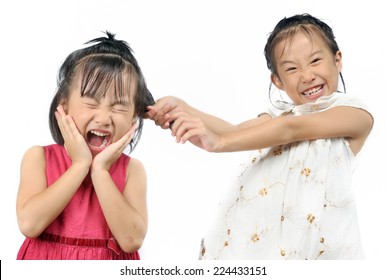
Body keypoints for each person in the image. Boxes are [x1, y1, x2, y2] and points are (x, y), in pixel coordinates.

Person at [147, 14, 374, 259]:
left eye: (315, 60)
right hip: (266, 248)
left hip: (317, 251)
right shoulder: (279, 115)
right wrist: (182, 107)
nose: (307, 75)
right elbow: (234, 131)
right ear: (277, 80)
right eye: (292, 68)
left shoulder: (354, 113)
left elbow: (293, 129)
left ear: (337, 60)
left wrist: (218, 144)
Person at [16, 31, 151, 260]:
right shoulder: (39, 157)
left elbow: (131, 240)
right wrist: (80, 165)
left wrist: (100, 171)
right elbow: (30, 224)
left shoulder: (132, 170)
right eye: (91, 102)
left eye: (118, 107)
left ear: (133, 119)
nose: (103, 117)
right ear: (64, 106)